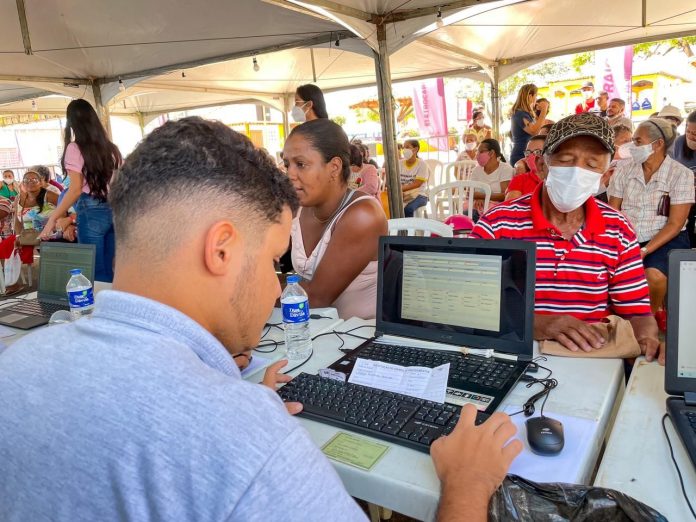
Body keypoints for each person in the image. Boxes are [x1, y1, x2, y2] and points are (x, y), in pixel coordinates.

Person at [0, 116, 524, 521]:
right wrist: (468, 485)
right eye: (274, 260)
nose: (279, 285)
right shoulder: (247, 441)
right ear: (222, 250)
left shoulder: (17, 364)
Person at [471, 113, 662, 364]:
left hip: (591, 360)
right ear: (541, 166)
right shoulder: (497, 224)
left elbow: (637, 312)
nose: (577, 172)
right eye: (565, 160)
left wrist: (648, 340)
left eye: (592, 165)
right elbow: (470, 304)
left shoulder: (618, 229)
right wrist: (536, 324)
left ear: (604, 177)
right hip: (511, 357)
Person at [285, 119, 387, 319]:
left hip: (360, 335)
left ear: (334, 167)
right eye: (287, 163)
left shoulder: (363, 215)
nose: (289, 173)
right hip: (319, 329)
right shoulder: (298, 208)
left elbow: (317, 297)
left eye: (300, 164)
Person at [608, 118, 694, 325]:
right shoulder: (624, 170)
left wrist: (644, 251)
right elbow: (613, 212)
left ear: (657, 145)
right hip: (629, 236)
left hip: (667, 238)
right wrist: (619, 244)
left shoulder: (681, 174)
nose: (633, 146)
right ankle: (619, 321)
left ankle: (647, 322)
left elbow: (675, 224)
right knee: (607, 273)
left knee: (653, 276)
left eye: (638, 141)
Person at [39, 99, 122, 282]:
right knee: (110, 268)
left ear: (71, 123)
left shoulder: (74, 148)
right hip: (114, 209)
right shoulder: (112, 149)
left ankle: (99, 309)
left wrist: (53, 219)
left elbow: (75, 189)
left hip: (91, 209)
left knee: (94, 270)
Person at [671, 110, 696, 247]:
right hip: (685, 199)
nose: (691, 137)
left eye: (695, 134)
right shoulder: (679, 143)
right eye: (689, 132)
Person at [470, 138, 513, 213]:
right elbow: (473, 193)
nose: (477, 154)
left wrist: (482, 196)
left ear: (492, 153)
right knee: (465, 212)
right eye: (477, 151)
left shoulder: (505, 169)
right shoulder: (476, 171)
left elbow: (505, 195)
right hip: (479, 205)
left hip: (498, 208)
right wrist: (478, 198)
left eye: (481, 151)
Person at [510, 84, 548, 166]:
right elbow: (534, 131)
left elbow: (540, 129)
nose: (536, 99)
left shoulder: (527, 114)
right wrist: (544, 110)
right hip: (520, 156)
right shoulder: (520, 114)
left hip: (528, 154)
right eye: (536, 96)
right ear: (530, 96)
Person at [505, 134, 547, 200]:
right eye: (528, 152)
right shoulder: (520, 180)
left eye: (537, 152)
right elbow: (510, 207)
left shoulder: (559, 179)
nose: (532, 156)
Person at [399, 139, 430, 218]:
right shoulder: (400, 163)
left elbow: (417, 184)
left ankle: (410, 230)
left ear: (415, 149)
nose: (404, 150)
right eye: (403, 148)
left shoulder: (422, 164)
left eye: (407, 147)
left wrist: (399, 189)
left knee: (408, 209)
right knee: (390, 207)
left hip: (420, 195)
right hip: (402, 194)